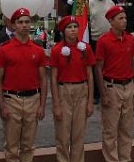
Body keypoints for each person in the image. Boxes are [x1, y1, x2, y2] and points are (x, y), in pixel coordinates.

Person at [0, 8, 47, 162]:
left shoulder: (38, 50)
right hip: (12, 100)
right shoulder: (4, 50)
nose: (24, 25)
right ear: (14, 25)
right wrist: (1, 105)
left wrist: (42, 105)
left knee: (28, 146)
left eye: (27, 22)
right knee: (11, 147)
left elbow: (43, 79)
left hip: (33, 100)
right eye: (20, 22)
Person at [95, 6, 134, 162]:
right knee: (110, 129)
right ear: (110, 21)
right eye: (120, 18)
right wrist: (103, 94)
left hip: (128, 85)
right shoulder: (103, 41)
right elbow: (98, 68)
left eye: (125, 18)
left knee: (126, 128)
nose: (124, 21)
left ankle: (125, 159)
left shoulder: (130, 39)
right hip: (111, 87)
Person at [49, 16, 95, 162]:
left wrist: (90, 101)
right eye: (69, 27)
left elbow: (90, 75)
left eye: (75, 26)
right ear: (63, 31)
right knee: (63, 135)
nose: (73, 30)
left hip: (82, 90)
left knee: (78, 135)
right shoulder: (57, 50)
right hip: (64, 91)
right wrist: (56, 104)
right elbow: (53, 78)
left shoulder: (85, 48)